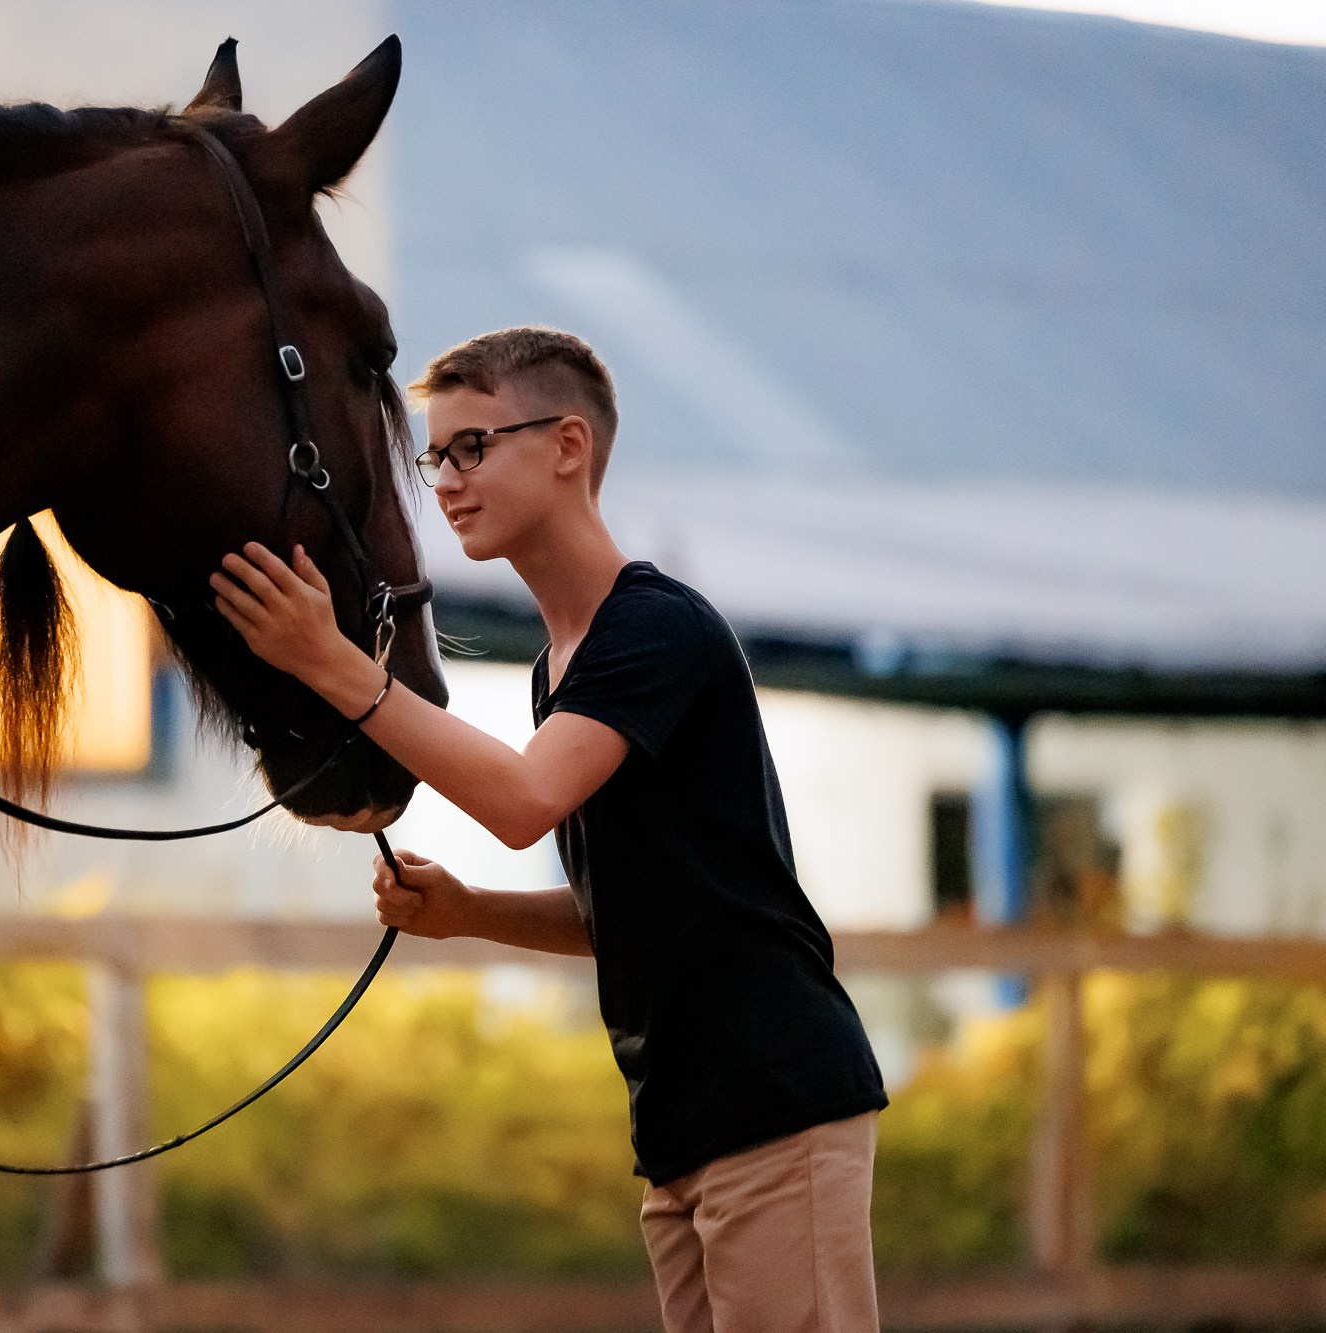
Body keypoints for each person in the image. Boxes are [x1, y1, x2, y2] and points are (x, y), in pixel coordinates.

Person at [209, 326, 889, 1332]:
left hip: (773, 1106)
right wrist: (469, 910)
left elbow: (524, 802)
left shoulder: (650, 631)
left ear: (568, 446)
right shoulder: (559, 669)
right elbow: (634, 909)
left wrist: (335, 665)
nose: (444, 480)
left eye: (471, 447)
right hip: (681, 1132)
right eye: (432, 456)